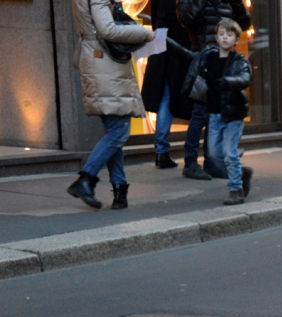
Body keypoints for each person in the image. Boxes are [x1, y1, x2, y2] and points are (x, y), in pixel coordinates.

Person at [67, 0, 155, 210]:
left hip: (97, 61)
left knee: (113, 131)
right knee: (119, 132)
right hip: (105, 64)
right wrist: (143, 33)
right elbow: (108, 29)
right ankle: (85, 179)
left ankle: (119, 191)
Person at [180, 18, 254, 204]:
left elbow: (245, 77)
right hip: (213, 113)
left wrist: (229, 82)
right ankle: (242, 172)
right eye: (221, 34)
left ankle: (236, 190)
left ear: (237, 40)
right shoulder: (209, 56)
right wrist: (171, 46)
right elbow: (191, 57)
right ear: (216, 37)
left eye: (229, 35)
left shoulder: (239, 61)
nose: (225, 38)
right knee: (213, 154)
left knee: (229, 153)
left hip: (233, 114)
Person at [140, 0, 193, 170]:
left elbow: (155, 11)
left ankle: (161, 150)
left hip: (162, 33)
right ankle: (164, 151)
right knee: (173, 93)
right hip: (181, 35)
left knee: (165, 92)